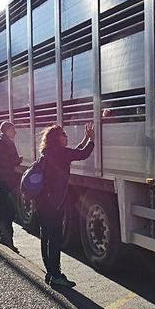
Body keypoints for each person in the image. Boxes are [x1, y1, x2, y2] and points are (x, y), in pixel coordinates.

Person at [38, 122, 95, 288]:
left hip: (42, 201)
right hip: (54, 202)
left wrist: (85, 138)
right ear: (57, 138)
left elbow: (73, 153)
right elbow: (82, 154)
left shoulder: (47, 151)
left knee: (46, 237)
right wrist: (91, 140)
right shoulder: (60, 153)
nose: (66, 136)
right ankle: (56, 275)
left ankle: (50, 272)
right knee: (55, 239)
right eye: (63, 134)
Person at [0, 121, 22, 250]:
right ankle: (8, 239)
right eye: (13, 129)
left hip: (0, 180)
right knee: (9, 211)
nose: (15, 132)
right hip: (8, 180)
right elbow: (12, 161)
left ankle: (1, 234)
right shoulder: (7, 143)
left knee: (2, 209)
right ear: (7, 130)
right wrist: (19, 160)